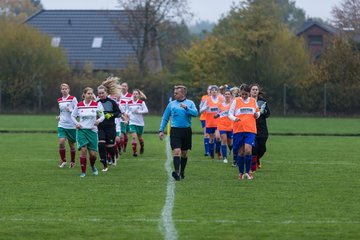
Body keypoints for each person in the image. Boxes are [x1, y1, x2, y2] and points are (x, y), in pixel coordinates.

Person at [159, 85, 198, 181]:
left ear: (183, 93)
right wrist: (161, 130)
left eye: (176, 93)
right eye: (174, 92)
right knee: (177, 151)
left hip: (186, 131)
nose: (174, 94)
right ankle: (176, 172)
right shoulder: (171, 104)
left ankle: (182, 171)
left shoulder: (190, 103)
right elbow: (165, 117)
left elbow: (196, 114)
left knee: (184, 153)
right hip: (175, 130)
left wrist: (187, 109)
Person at [71, 87, 105, 177]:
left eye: (91, 93)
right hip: (82, 130)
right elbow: (72, 116)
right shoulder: (79, 105)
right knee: (83, 150)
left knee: (93, 155)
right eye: (88, 93)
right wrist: (76, 123)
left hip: (93, 131)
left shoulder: (97, 104)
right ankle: (83, 172)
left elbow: (102, 116)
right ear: (84, 94)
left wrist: (98, 121)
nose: (90, 95)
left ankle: (93, 166)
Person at [229, 84, 260, 180]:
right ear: (240, 93)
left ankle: (248, 172)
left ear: (249, 93)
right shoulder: (236, 101)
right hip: (239, 129)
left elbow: (258, 112)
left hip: (250, 130)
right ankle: (241, 173)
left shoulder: (253, 101)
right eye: (242, 94)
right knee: (241, 152)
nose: (244, 96)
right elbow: (230, 113)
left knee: (248, 150)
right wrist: (235, 118)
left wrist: (256, 115)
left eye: (246, 94)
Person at [97, 83, 122, 172]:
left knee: (109, 147)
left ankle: (114, 155)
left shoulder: (112, 102)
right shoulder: (96, 103)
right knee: (101, 144)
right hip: (100, 127)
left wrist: (111, 114)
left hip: (110, 128)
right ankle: (104, 165)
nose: (101, 95)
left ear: (106, 93)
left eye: (102, 93)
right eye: (99, 93)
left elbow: (119, 113)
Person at [57, 83, 78, 168]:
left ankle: (72, 161)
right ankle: (63, 161)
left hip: (71, 125)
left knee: (72, 145)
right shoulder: (59, 100)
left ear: (69, 90)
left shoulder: (73, 99)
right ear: (61, 90)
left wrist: (70, 110)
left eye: (66, 88)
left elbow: (77, 112)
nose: (64, 90)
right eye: (63, 89)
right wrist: (59, 116)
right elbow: (61, 112)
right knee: (61, 142)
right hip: (62, 124)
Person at [250, 83, 270, 171]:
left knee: (262, 148)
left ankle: (257, 159)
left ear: (258, 92)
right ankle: (253, 167)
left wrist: (263, 111)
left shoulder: (263, 101)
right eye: (253, 89)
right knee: (254, 148)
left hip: (262, 128)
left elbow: (268, 114)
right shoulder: (247, 101)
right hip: (250, 126)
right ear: (250, 91)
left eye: (256, 89)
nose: (254, 91)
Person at [200, 85, 222, 159]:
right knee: (211, 139)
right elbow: (201, 110)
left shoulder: (221, 99)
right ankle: (211, 154)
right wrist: (206, 107)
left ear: (217, 92)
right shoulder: (207, 100)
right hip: (209, 123)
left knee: (218, 137)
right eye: (212, 90)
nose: (214, 92)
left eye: (215, 90)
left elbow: (224, 108)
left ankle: (219, 152)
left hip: (218, 123)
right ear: (210, 92)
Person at [126, 89, 149, 157]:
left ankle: (142, 147)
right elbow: (127, 110)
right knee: (134, 138)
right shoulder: (129, 102)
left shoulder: (141, 102)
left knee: (140, 138)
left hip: (140, 123)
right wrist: (127, 115)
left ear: (138, 95)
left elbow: (146, 110)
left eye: (136, 94)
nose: (135, 95)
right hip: (132, 122)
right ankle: (135, 152)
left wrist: (139, 111)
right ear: (132, 95)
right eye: (134, 94)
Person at [214, 89, 233, 164]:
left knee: (230, 143)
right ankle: (224, 158)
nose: (227, 95)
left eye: (229, 94)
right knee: (223, 140)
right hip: (222, 124)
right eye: (226, 94)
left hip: (230, 125)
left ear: (231, 95)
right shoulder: (220, 105)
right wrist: (216, 115)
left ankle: (231, 149)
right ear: (224, 95)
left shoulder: (233, 104)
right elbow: (218, 113)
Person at [119, 82, 132, 153]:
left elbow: (130, 107)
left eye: (125, 86)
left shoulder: (130, 96)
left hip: (127, 117)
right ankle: (120, 147)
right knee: (121, 134)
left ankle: (124, 148)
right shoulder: (118, 95)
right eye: (122, 86)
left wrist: (127, 114)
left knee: (126, 135)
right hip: (119, 118)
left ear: (127, 88)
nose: (124, 87)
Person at [199, 86, 211, 156]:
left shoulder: (217, 98)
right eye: (209, 89)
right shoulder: (204, 97)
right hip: (204, 118)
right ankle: (207, 151)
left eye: (211, 89)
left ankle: (213, 149)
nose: (210, 91)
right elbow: (200, 107)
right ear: (207, 90)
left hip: (213, 119)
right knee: (206, 134)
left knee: (214, 135)